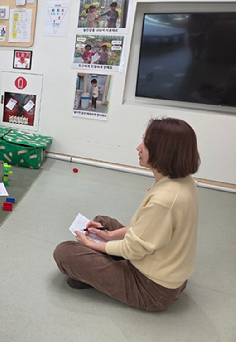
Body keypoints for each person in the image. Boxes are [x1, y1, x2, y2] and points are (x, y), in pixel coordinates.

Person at [53, 118, 200, 312]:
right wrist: (110, 236)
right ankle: (99, 259)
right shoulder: (184, 182)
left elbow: (134, 248)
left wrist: (94, 245)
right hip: (165, 271)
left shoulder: (165, 200)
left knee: (64, 253)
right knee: (103, 223)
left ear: (163, 151)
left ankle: (92, 271)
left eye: (146, 144)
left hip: (153, 289)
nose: (138, 148)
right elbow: (151, 229)